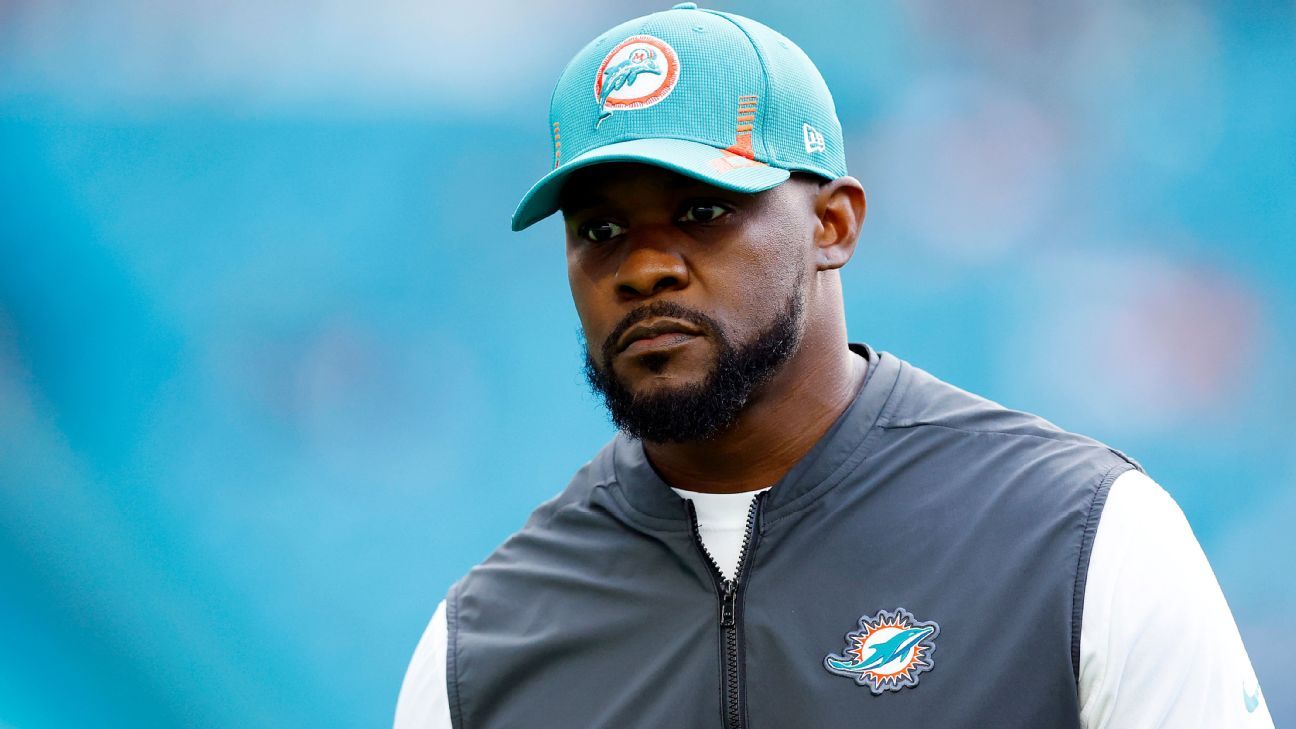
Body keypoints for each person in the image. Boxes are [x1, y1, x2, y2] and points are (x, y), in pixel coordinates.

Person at [395, 4, 1272, 727]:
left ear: (834, 224)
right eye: (600, 230)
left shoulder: (1079, 540)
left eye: (701, 208)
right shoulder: (482, 644)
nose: (643, 266)